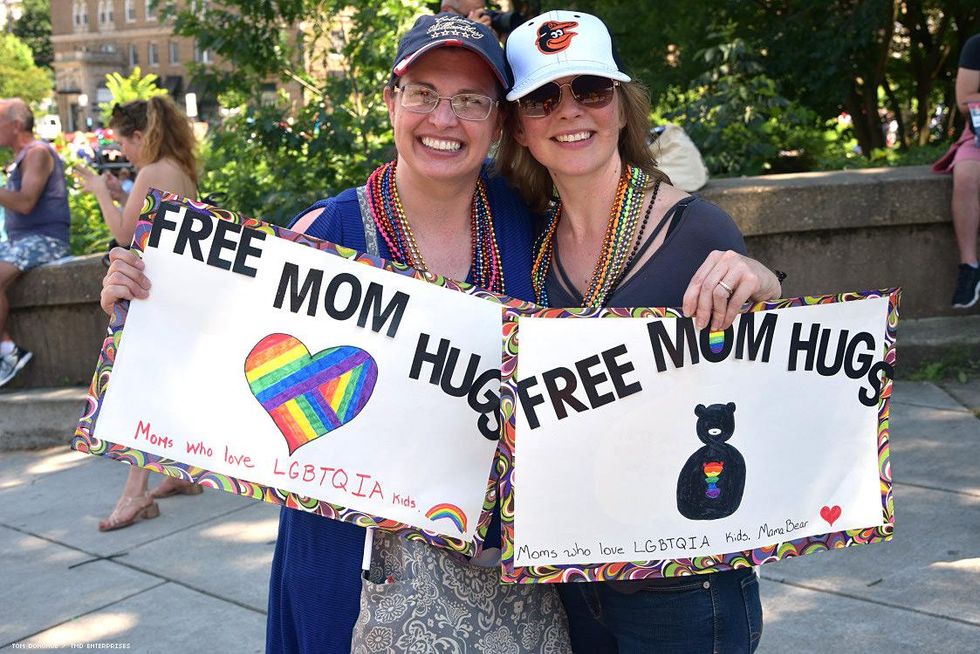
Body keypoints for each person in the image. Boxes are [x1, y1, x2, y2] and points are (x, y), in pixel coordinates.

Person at [100, 14, 573, 653]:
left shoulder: (533, 225)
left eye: (469, 101)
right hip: (346, 568)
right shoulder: (323, 237)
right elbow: (212, 356)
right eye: (424, 95)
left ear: (498, 120)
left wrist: (731, 270)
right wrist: (140, 303)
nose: (443, 118)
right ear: (391, 101)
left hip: (503, 575)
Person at [497, 10, 782, 652]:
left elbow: (768, 375)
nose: (570, 111)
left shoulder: (698, 232)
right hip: (570, 577)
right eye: (543, 97)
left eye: (590, 89)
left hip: (685, 584)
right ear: (519, 126)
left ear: (622, 108)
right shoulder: (529, 242)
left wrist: (763, 281)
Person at [84, 96, 203, 532]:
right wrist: (121, 193)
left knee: (135, 392)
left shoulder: (152, 171)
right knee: (164, 387)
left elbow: (122, 234)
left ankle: (135, 495)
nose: (124, 153)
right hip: (178, 294)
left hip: (153, 295)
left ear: (140, 135)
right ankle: (177, 477)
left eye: (125, 143)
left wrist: (101, 193)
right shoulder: (178, 168)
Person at [0, 98, 71, 388]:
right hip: (21, 241)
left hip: (46, 240)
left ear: (16, 125)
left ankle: (8, 351)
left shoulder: (38, 152)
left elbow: (27, 202)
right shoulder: (19, 157)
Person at [77, 97, 198, 247]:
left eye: (121, 143)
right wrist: (122, 196)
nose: (122, 151)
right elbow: (153, 219)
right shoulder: (176, 165)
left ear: (137, 137)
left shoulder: (152, 171)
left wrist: (100, 190)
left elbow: (125, 236)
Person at [933, 33, 980, 309]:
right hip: (976, 136)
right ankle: (969, 268)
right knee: (965, 177)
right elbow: (964, 99)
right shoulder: (976, 45)